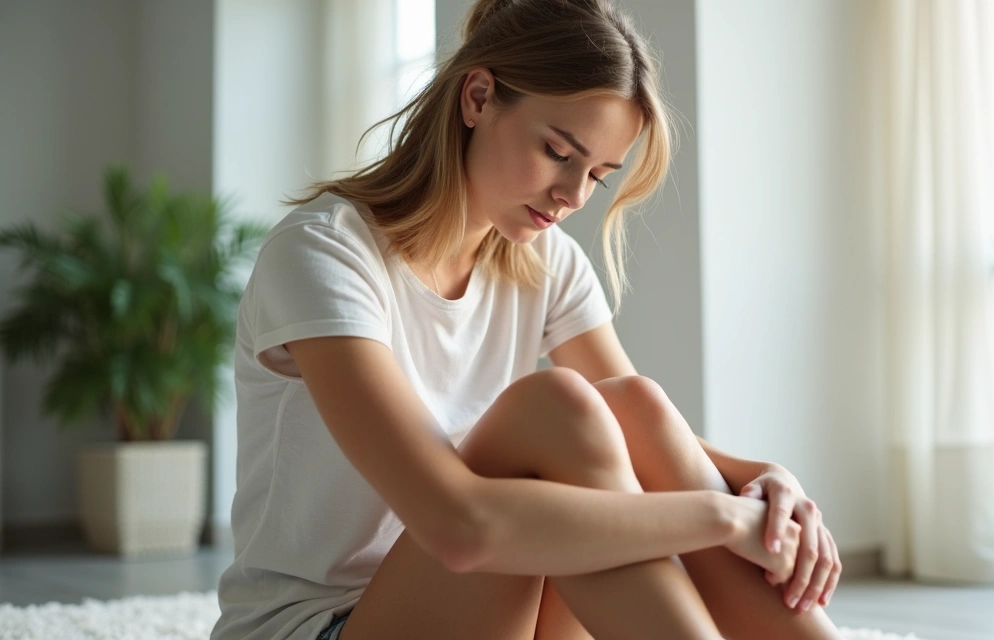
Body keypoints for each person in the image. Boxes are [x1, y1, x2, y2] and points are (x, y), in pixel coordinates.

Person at [211, 1, 845, 638]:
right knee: (554, 408)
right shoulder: (323, 253)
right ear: (478, 98)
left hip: (489, 612)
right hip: (323, 626)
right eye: (557, 151)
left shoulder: (544, 260)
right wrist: (721, 518)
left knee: (635, 403)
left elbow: (647, 434)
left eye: (598, 175)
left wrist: (760, 478)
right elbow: (459, 527)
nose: (573, 196)